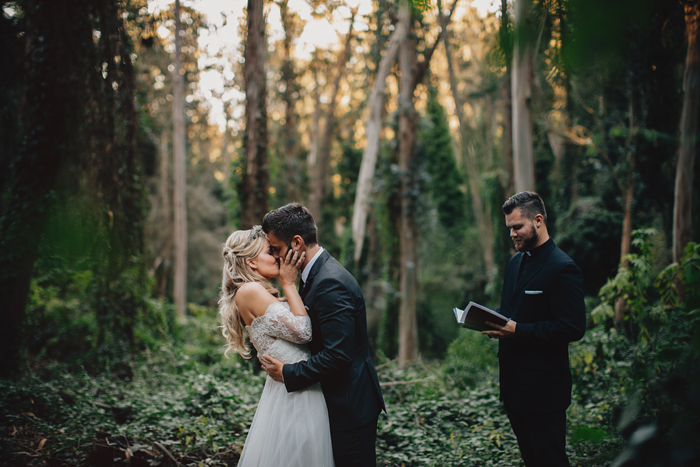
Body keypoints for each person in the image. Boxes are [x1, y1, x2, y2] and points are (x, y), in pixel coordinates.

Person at [258, 203, 385, 467]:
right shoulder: (310, 275)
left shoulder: (330, 283)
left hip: (349, 408)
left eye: (277, 250)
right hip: (334, 403)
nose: (276, 258)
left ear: (297, 243)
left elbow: (338, 355)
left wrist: (289, 373)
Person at [482, 191, 586, 467]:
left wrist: (518, 331)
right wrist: (490, 320)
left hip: (545, 393)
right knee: (531, 460)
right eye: (509, 228)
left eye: (518, 227)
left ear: (538, 220)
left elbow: (572, 328)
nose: (512, 234)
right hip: (513, 388)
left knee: (550, 460)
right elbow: (512, 312)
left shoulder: (563, 268)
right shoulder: (515, 262)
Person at [219, 225, 335, 466]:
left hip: (295, 387)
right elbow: (304, 333)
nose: (278, 257)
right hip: (296, 396)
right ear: (251, 263)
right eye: (269, 252)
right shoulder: (250, 290)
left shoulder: (254, 291)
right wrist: (290, 284)